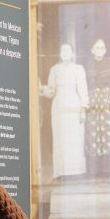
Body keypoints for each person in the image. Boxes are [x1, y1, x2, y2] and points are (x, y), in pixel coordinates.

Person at [43, 43, 89, 180]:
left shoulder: (78, 69)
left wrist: (83, 107)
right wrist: (41, 89)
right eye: (63, 50)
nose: (66, 53)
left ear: (72, 53)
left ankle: (76, 172)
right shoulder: (54, 70)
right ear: (60, 54)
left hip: (74, 105)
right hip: (59, 106)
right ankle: (62, 172)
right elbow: (51, 91)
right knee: (61, 138)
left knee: (74, 138)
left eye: (68, 50)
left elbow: (82, 88)